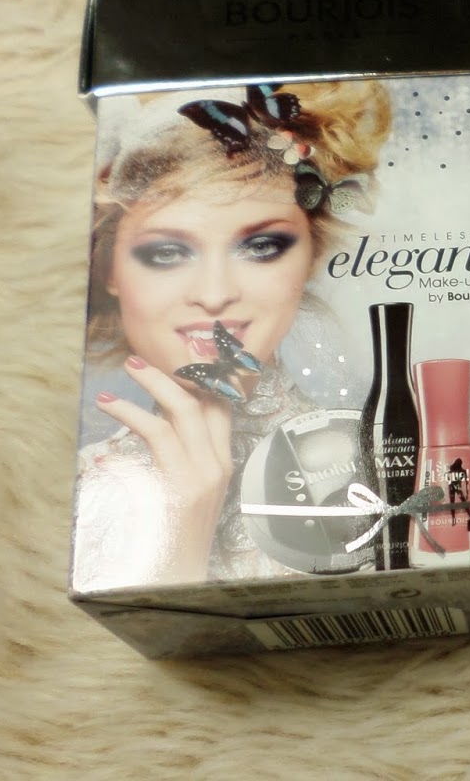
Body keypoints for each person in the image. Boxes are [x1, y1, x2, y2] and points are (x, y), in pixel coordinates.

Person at [72, 82, 389, 592]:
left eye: (261, 246)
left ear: (309, 257)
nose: (215, 294)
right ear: (109, 269)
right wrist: (179, 533)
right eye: (167, 253)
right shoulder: (80, 496)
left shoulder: (393, 468)